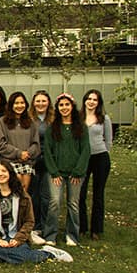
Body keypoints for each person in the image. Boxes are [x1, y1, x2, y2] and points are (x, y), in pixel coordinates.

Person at [0, 161, 72, 264]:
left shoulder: (22, 195)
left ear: (10, 173)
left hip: (17, 234)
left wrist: (18, 239)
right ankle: (35, 254)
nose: (0, 174)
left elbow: (29, 221)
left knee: (13, 253)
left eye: (4, 171)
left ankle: (50, 253)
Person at [43, 93, 91, 247]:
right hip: (56, 173)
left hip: (75, 174)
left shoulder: (81, 127)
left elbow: (86, 150)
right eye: (61, 105)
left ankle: (72, 235)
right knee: (55, 202)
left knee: (73, 203)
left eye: (67, 105)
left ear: (72, 107)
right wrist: (54, 172)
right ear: (57, 108)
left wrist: (78, 171)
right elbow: (48, 152)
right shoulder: (53, 128)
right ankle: (50, 235)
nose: (64, 108)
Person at [79, 89, 113, 241]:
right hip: (83, 159)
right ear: (85, 100)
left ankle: (96, 229)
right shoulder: (78, 118)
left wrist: (105, 151)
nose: (91, 102)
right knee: (80, 194)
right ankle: (82, 227)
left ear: (98, 103)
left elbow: (109, 140)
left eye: (95, 99)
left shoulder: (104, 118)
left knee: (98, 194)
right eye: (89, 99)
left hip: (100, 157)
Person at [0, 91, 39, 192]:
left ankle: (25, 207)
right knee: (15, 189)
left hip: (27, 161)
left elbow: (36, 143)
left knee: (24, 191)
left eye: (22, 103)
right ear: (11, 105)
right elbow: (1, 144)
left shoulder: (31, 122)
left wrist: (27, 153)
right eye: (16, 103)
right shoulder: (2, 121)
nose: (19, 106)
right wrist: (19, 153)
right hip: (10, 162)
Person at [27, 90, 54, 245]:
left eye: (43, 101)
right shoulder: (30, 119)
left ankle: (45, 225)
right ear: (33, 103)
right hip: (33, 160)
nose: (41, 104)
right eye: (38, 101)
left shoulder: (53, 119)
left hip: (49, 160)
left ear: (48, 103)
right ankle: (35, 225)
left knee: (47, 196)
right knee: (33, 194)